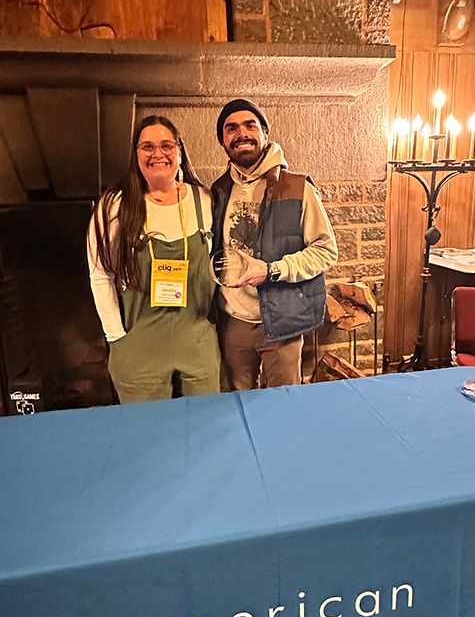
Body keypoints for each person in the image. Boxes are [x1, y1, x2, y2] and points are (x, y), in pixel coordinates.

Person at [87, 115, 220, 403]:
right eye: (147, 146)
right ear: (135, 154)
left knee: (204, 431)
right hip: (139, 348)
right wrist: (116, 338)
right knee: (148, 437)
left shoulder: (205, 201)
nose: (157, 154)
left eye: (166, 145)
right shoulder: (113, 205)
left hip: (197, 343)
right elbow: (100, 275)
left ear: (180, 152)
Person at [211, 98, 338, 391]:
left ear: (265, 133)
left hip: (282, 321)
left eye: (249, 125)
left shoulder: (298, 187)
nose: (240, 133)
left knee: (283, 408)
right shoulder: (218, 190)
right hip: (232, 321)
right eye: (231, 129)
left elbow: (325, 250)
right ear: (223, 141)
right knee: (236, 407)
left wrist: (273, 269)